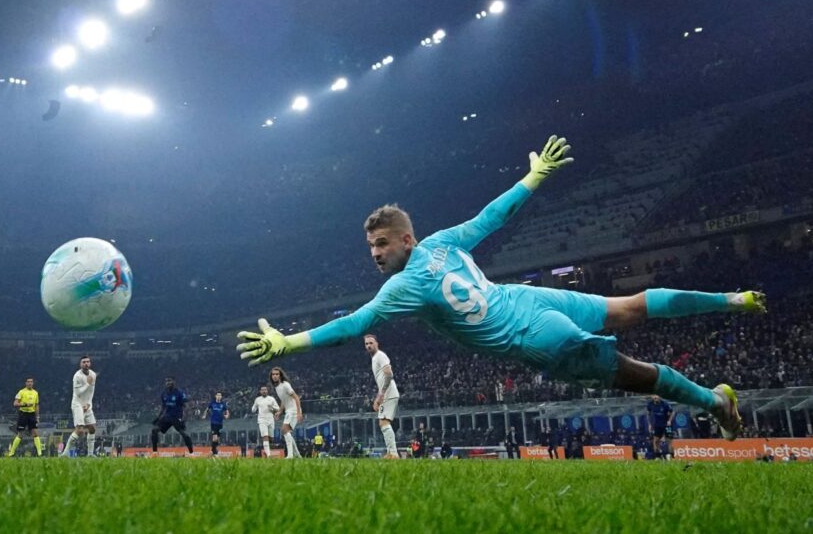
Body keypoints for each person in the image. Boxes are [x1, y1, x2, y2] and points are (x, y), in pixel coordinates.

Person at [236, 135, 762, 440]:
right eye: (370, 246)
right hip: (525, 298)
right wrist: (533, 177)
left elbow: (355, 324)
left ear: (404, 239)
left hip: (534, 336)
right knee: (627, 309)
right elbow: (493, 216)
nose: (374, 254)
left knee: (636, 375)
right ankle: (731, 299)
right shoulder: (442, 242)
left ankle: (712, 400)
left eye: (380, 244)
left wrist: (291, 342)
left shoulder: (404, 288)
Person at [363, 334, 400, 459]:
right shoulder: (374, 358)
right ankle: (391, 453)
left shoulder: (380, 355)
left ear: (377, 344)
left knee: (384, 422)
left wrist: (382, 393)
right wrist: (379, 396)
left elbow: (389, 374)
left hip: (389, 393)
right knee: (383, 422)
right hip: (387, 393)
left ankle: (393, 454)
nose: (368, 345)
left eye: (371, 343)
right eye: (366, 344)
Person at [62, 355, 98, 457]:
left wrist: (88, 404)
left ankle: (90, 454)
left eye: (88, 362)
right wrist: (87, 383)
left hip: (87, 404)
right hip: (77, 403)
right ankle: (65, 453)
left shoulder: (93, 375)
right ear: (80, 364)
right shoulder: (77, 376)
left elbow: (91, 391)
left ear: (90, 363)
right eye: (84, 362)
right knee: (80, 430)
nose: (86, 363)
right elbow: (78, 392)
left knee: (92, 428)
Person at [151, 376, 194, 454]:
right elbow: (163, 407)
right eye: (166, 381)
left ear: (174, 382)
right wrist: (158, 418)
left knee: (183, 433)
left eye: (169, 381)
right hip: (166, 417)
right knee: (154, 430)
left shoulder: (179, 393)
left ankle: (191, 453)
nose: (167, 383)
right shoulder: (164, 394)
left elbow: (187, 407)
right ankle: (154, 453)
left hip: (176, 417)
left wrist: (184, 420)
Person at [270, 367, 303, 459]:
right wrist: (280, 411)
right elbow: (283, 400)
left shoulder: (285, 385)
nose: (275, 376)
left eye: (277, 374)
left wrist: (299, 412)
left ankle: (290, 455)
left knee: (284, 430)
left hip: (293, 410)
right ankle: (297, 455)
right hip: (289, 410)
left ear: (280, 376)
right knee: (286, 432)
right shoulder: (277, 387)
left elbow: (296, 397)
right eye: (273, 374)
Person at [8, 377, 43, 457]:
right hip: (23, 414)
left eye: (31, 381)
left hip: (31, 414)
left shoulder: (35, 393)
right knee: (20, 434)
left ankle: (40, 453)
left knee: (35, 432)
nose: (30, 383)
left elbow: (37, 405)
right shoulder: (21, 392)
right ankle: (12, 452)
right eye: (28, 382)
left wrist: (37, 417)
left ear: (33, 383)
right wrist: (24, 404)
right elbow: (15, 403)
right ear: (25, 383)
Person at [251, 385, 280, 458]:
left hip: (270, 420)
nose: (264, 391)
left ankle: (267, 450)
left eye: (265, 390)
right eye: (262, 390)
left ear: (267, 391)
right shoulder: (257, 399)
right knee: (265, 436)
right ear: (260, 391)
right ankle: (269, 455)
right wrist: (254, 408)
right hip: (262, 420)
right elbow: (253, 409)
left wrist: (272, 408)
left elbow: (278, 409)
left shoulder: (271, 399)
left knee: (271, 439)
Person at [204, 392, 229, 457]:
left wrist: (227, 415)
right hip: (213, 423)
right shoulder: (212, 403)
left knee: (217, 439)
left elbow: (227, 411)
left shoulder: (223, 404)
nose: (219, 396)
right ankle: (214, 451)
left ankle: (213, 451)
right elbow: (207, 409)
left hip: (220, 423)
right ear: (215, 396)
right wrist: (204, 415)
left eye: (220, 395)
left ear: (221, 397)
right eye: (218, 395)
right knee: (214, 438)